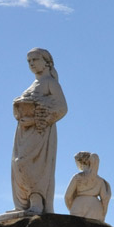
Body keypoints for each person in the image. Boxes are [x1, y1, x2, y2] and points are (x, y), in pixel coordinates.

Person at [10, 48, 67, 214]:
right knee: (17, 164)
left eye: (35, 59)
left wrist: (36, 119)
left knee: (31, 164)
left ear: (46, 62)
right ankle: (23, 204)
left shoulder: (51, 83)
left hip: (40, 132)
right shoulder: (33, 85)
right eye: (29, 61)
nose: (31, 63)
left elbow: (62, 108)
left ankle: (37, 201)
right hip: (24, 133)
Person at [64, 151, 112, 222]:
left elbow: (67, 196)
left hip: (79, 206)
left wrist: (72, 207)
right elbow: (105, 199)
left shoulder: (77, 177)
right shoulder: (100, 181)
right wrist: (103, 213)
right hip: (95, 207)